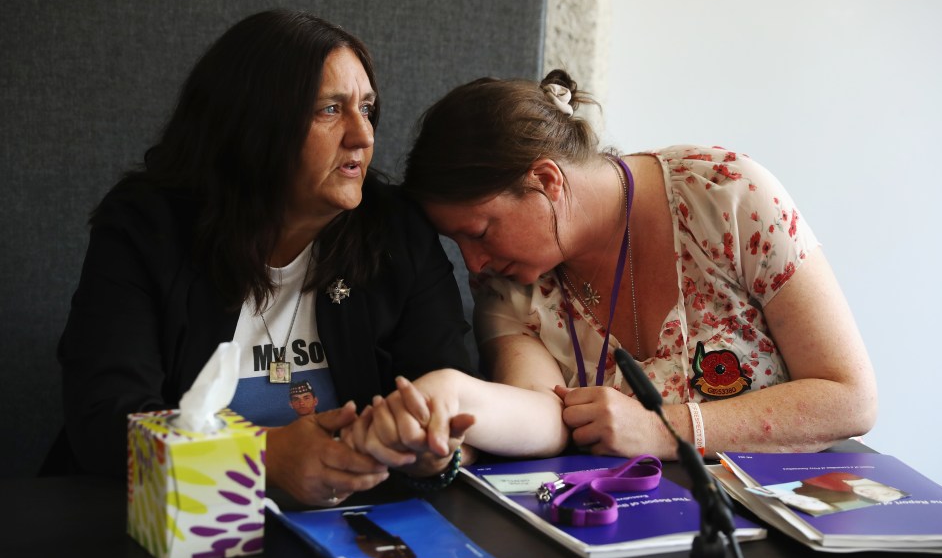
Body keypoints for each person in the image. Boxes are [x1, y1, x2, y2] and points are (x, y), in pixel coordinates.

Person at [58, 10, 481, 506]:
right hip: (174, 525)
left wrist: (432, 451)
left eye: (366, 108)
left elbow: (451, 402)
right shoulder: (147, 226)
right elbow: (105, 419)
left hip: (347, 531)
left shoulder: (396, 232)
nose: (362, 136)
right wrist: (262, 458)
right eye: (329, 110)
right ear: (253, 125)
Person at [349, 69, 878, 467]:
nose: (473, 262)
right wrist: (449, 397)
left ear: (547, 182)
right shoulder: (508, 285)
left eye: (480, 231)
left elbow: (849, 398)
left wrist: (663, 430)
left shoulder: (729, 196)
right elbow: (542, 415)